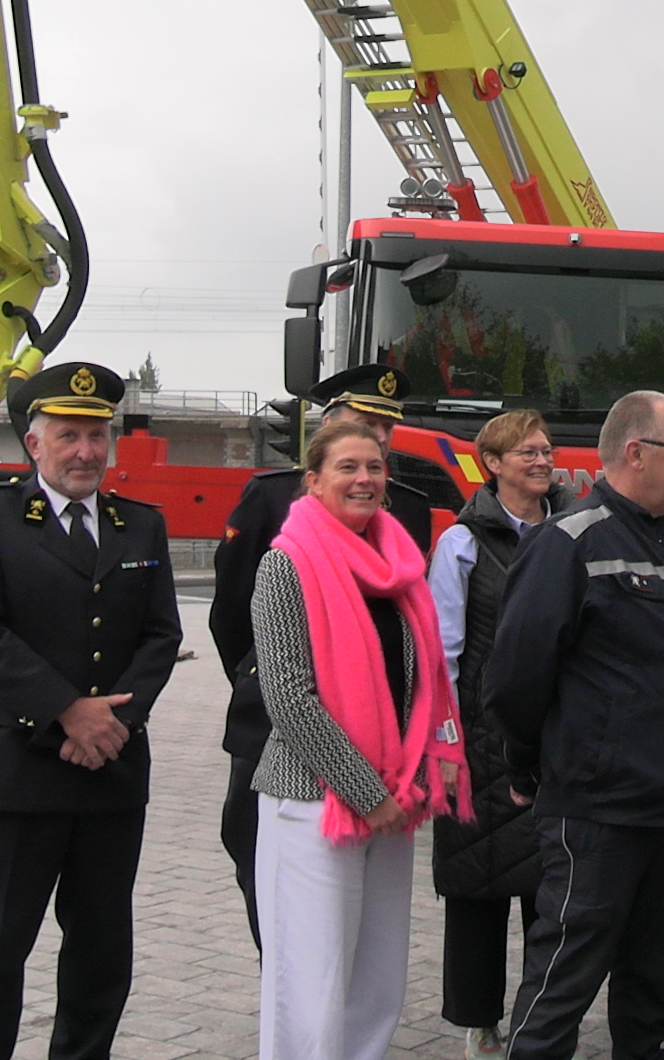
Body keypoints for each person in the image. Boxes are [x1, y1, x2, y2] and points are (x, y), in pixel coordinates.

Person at [0, 362, 183, 1060]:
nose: (86, 451)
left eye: (97, 436)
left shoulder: (139, 526)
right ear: (33, 443)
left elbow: (161, 637)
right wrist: (67, 712)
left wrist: (113, 727)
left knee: (101, 954)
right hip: (12, 773)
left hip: (107, 772)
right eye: (69, 435)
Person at [484, 390, 664, 1060]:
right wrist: (532, 767)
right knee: (563, 982)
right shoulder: (568, 543)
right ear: (637, 453)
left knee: (649, 995)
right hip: (598, 816)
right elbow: (514, 679)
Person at [248, 420, 471, 1060]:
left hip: (392, 801)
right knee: (312, 978)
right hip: (315, 801)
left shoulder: (397, 564)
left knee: (378, 976)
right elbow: (290, 697)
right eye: (347, 467)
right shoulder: (285, 564)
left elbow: (426, 673)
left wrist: (432, 761)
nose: (365, 479)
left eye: (374, 467)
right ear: (313, 480)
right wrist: (365, 793)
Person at [210, 363, 433, 950]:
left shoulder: (405, 506)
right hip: (276, 720)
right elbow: (231, 610)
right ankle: (282, 972)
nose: (379, 438)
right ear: (328, 423)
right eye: (366, 421)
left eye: (387, 427)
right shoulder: (270, 497)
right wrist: (270, 682)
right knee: (264, 865)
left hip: (378, 730)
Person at [427, 410, 572, 1058]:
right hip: (482, 744)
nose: (542, 461)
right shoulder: (461, 545)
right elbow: (441, 658)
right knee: (477, 890)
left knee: (554, 893)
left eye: (545, 451)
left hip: (558, 741)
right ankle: (479, 1022)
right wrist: (447, 743)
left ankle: (540, 1019)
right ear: (492, 464)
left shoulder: (573, 532)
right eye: (527, 453)